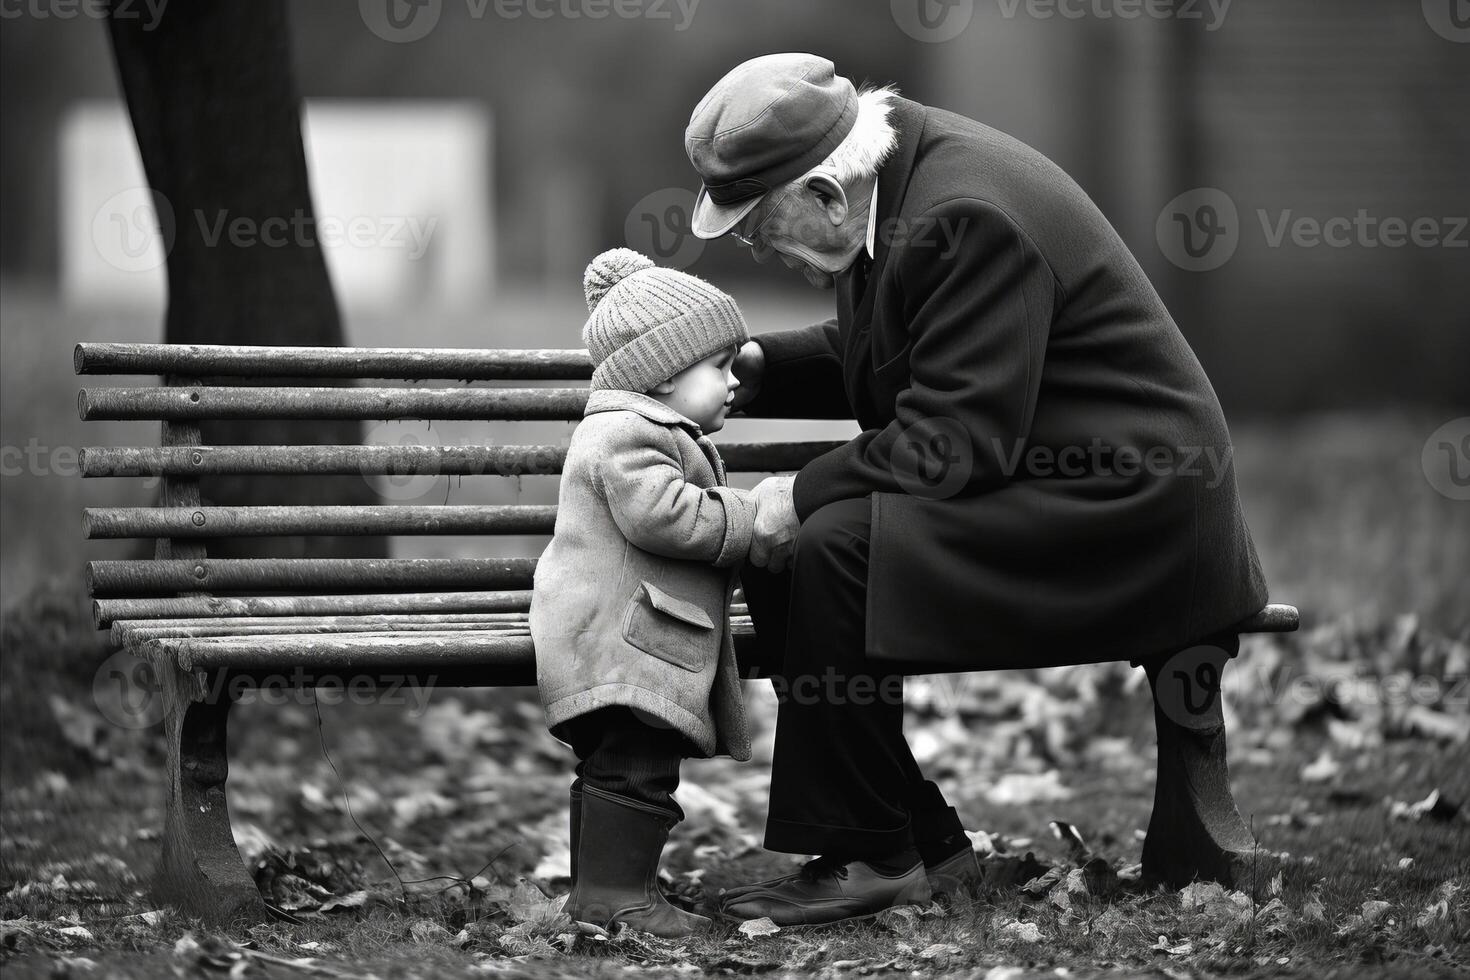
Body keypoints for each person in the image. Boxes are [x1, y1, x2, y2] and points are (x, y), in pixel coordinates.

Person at [685, 53, 1269, 926]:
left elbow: (954, 443)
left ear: (825, 195)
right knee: (806, 544)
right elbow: (914, 345)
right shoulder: (901, 184)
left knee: (828, 542)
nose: (753, 247)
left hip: (1132, 517)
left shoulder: (962, 213)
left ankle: (877, 854)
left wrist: (796, 491)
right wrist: (766, 369)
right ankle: (909, 839)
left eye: (756, 226)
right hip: (1056, 482)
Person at [529, 247, 757, 938]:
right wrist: (756, 514)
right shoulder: (624, 433)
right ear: (660, 373)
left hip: (637, 636)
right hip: (619, 642)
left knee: (637, 764)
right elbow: (665, 518)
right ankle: (611, 898)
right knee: (632, 765)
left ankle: (612, 891)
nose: (733, 381)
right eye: (718, 366)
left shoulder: (646, 426)